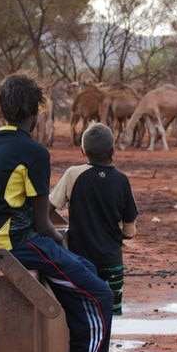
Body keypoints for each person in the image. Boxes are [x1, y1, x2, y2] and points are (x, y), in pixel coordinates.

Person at [0, 74, 121, 352]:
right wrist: (62, 245)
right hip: (14, 245)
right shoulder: (34, 152)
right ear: (35, 113)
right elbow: (42, 222)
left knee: (84, 272)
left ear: (3, 110)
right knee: (100, 294)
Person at [50, 122, 138, 316]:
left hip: (81, 259)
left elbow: (50, 207)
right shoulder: (121, 180)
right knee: (110, 313)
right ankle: (107, 345)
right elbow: (129, 228)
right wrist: (125, 233)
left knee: (85, 311)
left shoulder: (73, 174)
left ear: (82, 150)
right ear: (113, 151)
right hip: (112, 261)